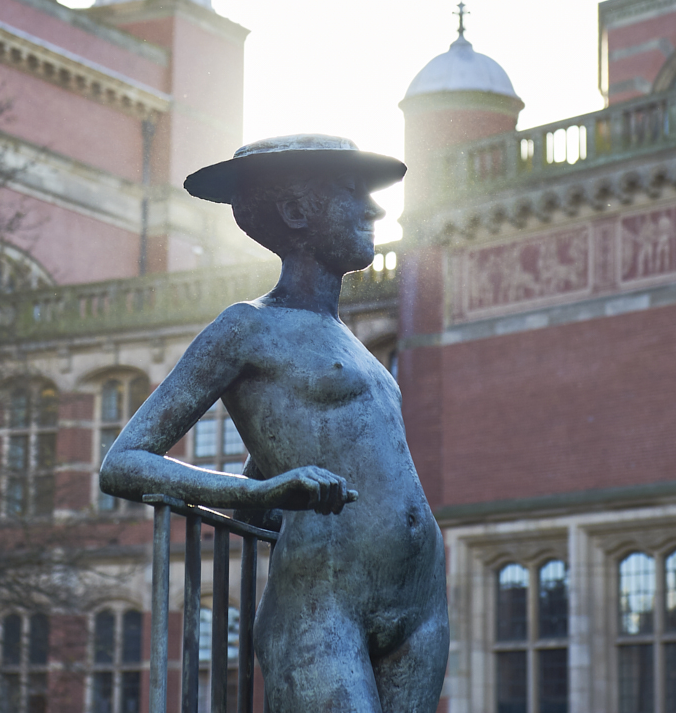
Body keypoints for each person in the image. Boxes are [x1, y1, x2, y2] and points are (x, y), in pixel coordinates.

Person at [100, 135, 448, 713]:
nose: (377, 209)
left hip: (420, 600)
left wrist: (268, 482)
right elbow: (124, 462)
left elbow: (286, 450)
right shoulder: (246, 329)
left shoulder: (352, 341)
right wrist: (261, 489)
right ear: (295, 212)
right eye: (352, 193)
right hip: (322, 605)